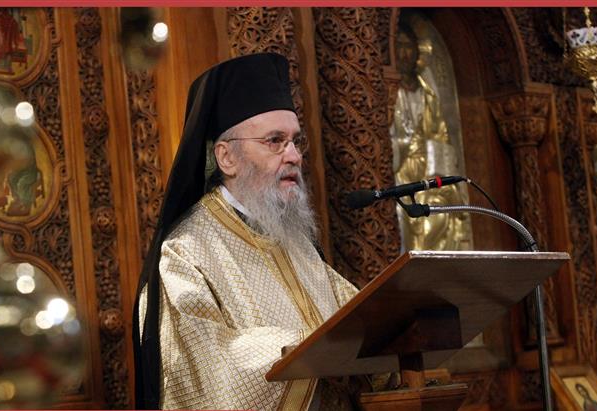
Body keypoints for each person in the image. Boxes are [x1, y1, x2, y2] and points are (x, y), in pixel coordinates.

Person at [133, 53, 359, 410]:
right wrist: (308, 347)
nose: (294, 156)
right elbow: (207, 371)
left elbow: (358, 319)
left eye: (295, 141)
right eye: (275, 141)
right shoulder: (185, 253)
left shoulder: (295, 241)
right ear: (227, 158)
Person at [390, 25, 470, 251]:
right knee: (402, 213)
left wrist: (435, 164)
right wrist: (407, 144)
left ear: (419, 52)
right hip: (401, 169)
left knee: (441, 207)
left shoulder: (427, 92)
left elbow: (439, 132)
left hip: (428, 169)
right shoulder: (389, 92)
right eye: (400, 47)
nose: (404, 53)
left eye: (409, 46)